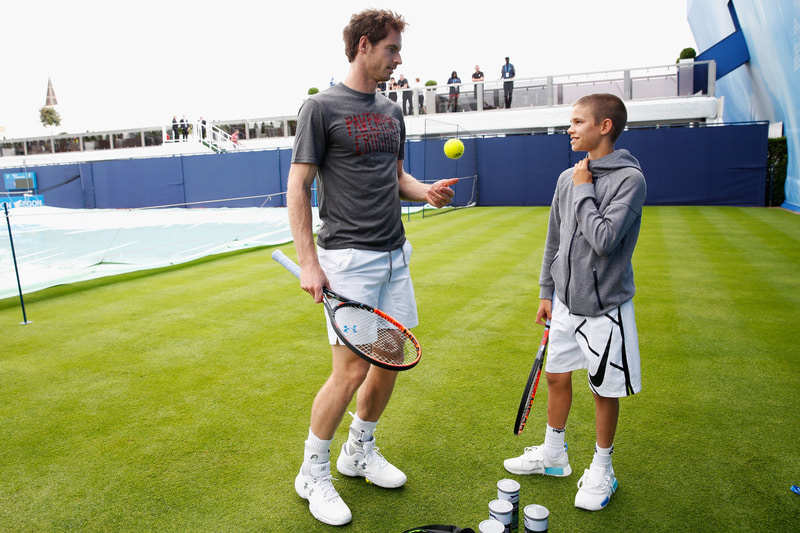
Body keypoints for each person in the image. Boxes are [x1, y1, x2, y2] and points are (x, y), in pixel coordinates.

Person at [286, 9, 457, 527]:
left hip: (393, 253)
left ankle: (358, 451)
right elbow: (298, 187)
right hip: (348, 258)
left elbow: (397, 176)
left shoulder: (390, 111)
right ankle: (312, 472)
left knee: (389, 359)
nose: (398, 59)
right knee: (351, 369)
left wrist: (425, 190)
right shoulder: (320, 108)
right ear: (364, 45)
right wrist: (309, 263)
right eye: (391, 49)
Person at [503, 93, 646, 512]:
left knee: (603, 391)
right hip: (564, 304)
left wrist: (585, 189)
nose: (570, 129)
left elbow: (603, 240)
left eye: (578, 122)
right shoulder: (567, 177)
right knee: (556, 378)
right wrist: (547, 293)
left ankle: (603, 468)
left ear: (604, 127)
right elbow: (555, 240)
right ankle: (553, 456)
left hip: (605, 308)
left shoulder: (629, 180)